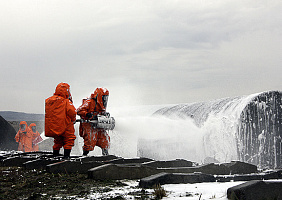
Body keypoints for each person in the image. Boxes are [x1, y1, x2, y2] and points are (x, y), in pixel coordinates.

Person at [45, 82, 76, 158]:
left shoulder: (49, 101)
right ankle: (66, 157)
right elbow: (72, 113)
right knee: (69, 139)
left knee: (57, 141)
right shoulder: (66, 102)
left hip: (54, 127)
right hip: (65, 126)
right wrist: (73, 120)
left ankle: (55, 154)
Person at [77, 87, 110, 156]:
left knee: (104, 140)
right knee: (90, 141)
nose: (105, 100)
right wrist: (87, 114)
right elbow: (79, 110)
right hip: (88, 124)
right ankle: (84, 155)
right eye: (104, 97)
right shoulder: (89, 102)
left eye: (106, 98)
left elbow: (102, 113)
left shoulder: (101, 106)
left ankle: (106, 155)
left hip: (98, 124)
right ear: (99, 96)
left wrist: (105, 115)